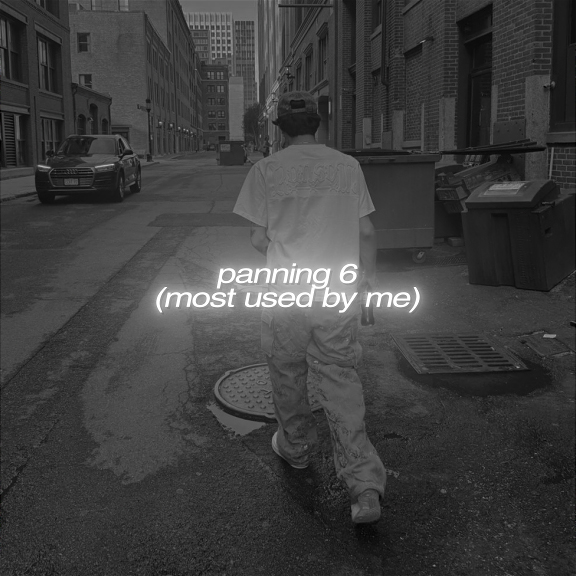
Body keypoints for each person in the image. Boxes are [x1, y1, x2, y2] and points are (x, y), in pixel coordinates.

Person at [233, 91, 386, 524]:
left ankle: (296, 447)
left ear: (280, 129)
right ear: (318, 125)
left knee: (286, 368)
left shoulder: (266, 170)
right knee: (339, 375)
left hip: (287, 292)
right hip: (336, 292)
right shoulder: (347, 166)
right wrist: (368, 279)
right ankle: (364, 485)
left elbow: (258, 239)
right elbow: (367, 231)